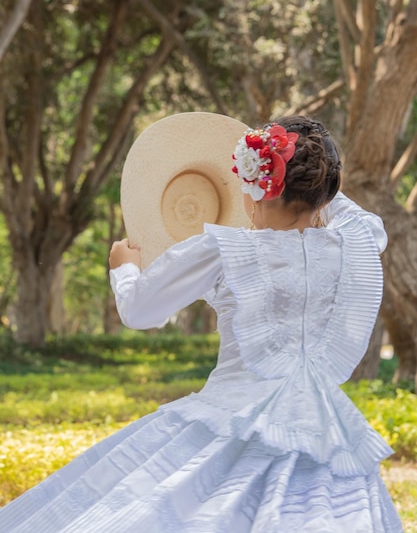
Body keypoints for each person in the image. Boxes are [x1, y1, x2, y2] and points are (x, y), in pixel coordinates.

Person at [0, 115, 403, 532]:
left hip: (231, 417)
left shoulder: (225, 249)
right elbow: (363, 220)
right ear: (326, 191)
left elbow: (140, 312)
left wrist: (125, 269)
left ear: (252, 187)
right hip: (326, 433)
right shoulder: (354, 243)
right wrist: (311, 179)